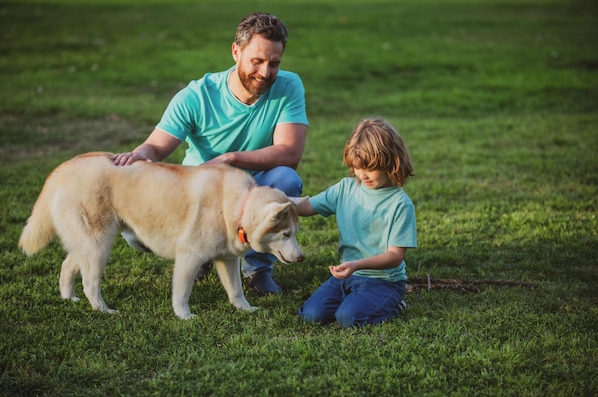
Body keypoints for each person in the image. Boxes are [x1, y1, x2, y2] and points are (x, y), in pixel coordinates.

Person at [111, 12, 308, 296]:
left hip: (255, 189)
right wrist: (137, 156)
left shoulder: (288, 86)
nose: (265, 72)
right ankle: (202, 252)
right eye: (257, 61)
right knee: (135, 237)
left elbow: (290, 154)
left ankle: (257, 269)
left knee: (286, 180)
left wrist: (230, 159)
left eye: (274, 63)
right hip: (200, 196)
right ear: (236, 51)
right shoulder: (196, 96)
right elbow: (154, 147)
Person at [291, 118, 416, 328]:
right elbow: (307, 206)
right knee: (312, 314)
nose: (362, 174)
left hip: (384, 281)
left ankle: (394, 304)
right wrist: (275, 200)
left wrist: (356, 265)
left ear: (390, 161)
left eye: (370, 167)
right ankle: (354, 300)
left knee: (348, 318)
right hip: (346, 277)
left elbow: (395, 256)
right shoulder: (345, 189)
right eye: (357, 167)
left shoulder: (400, 204)